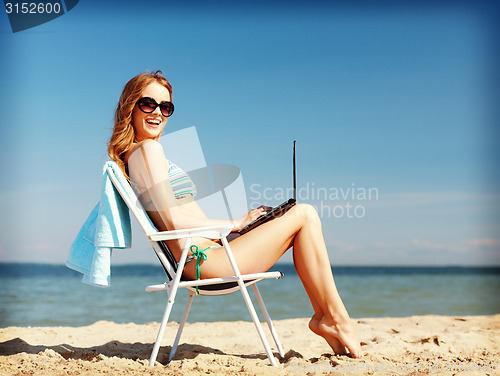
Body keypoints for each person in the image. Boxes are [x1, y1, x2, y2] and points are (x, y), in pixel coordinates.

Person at [108, 71, 362, 359]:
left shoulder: (135, 155)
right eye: (148, 104)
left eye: (165, 107)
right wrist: (234, 223)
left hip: (206, 255)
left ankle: (328, 317)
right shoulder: (149, 150)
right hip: (207, 264)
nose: (158, 113)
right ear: (131, 105)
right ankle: (332, 318)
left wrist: (236, 231)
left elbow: (175, 222)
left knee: (297, 216)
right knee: (305, 214)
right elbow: (174, 222)